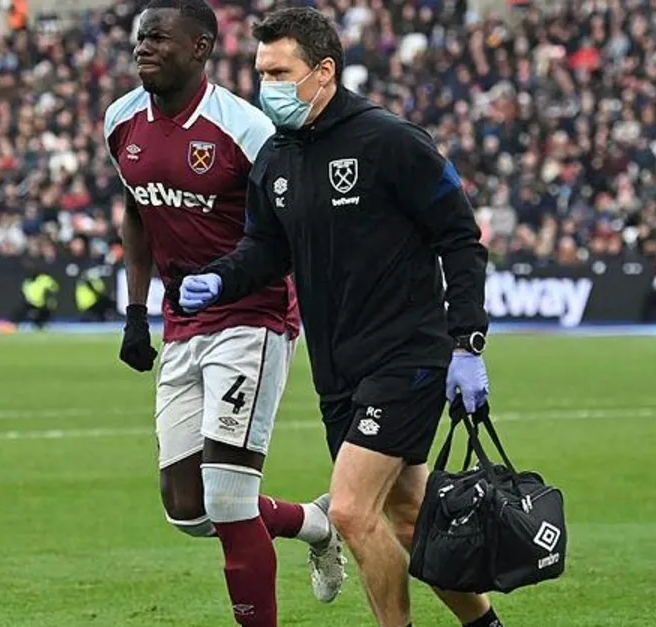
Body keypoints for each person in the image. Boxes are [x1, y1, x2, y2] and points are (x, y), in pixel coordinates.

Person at [178, 8, 504, 627]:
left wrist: (467, 342)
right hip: (337, 369)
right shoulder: (275, 159)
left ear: (324, 71)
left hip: (406, 356)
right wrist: (220, 276)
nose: (266, 86)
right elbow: (265, 249)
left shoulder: (391, 142)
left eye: (280, 73)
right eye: (260, 72)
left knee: (352, 512)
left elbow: (460, 237)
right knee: (408, 517)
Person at [103, 1, 346, 624]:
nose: (143, 47)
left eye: (159, 37)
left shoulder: (246, 129)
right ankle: (314, 523)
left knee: (230, 499)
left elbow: (291, 227)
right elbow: (137, 214)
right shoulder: (121, 121)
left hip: (252, 316)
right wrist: (136, 311)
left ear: (201, 47)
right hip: (182, 324)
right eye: (140, 37)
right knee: (187, 508)